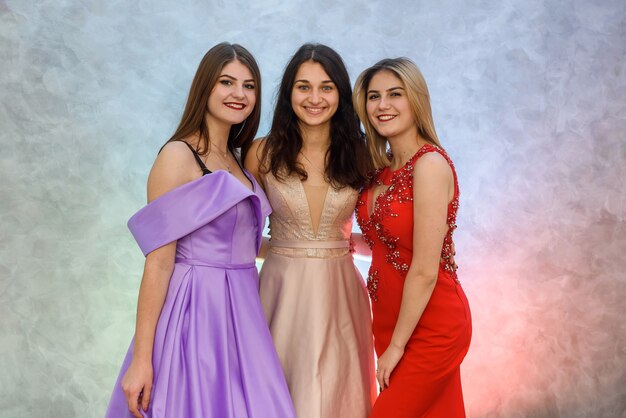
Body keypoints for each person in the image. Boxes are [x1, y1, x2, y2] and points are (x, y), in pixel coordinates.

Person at [105, 43, 295, 418]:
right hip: (194, 309)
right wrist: (142, 359)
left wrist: (316, 249)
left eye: (249, 85)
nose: (239, 94)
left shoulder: (240, 162)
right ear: (204, 87)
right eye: (227, 82)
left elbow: (241, 242)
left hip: (243, 309)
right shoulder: (178, 156)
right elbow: (159, 263)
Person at [244, 43, 376, 418]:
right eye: (303, 87)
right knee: (279, 387)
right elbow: (238, 231)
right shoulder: (260, 153)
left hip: (341, 290)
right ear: (288, 93)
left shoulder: (363, 154)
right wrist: (284, 248)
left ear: (341, 93)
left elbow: (379, 233)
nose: (314, 97)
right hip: (279, 289)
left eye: (326, 86)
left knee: (339, 390)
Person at [353, 58, 472, 417]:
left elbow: (424, 268)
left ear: (415, 99)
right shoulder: (380, 171)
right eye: (374, 96)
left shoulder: (430, 164)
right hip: (389, 320)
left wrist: (398, 347)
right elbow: (383, 245)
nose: (382, 105)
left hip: (432, 325)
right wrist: (331, 245)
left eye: (394, 94)